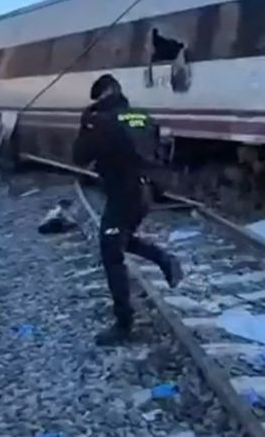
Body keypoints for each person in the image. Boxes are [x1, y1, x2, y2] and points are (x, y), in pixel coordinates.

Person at [72, 74, 183, 346]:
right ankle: (164, 259)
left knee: (111, 253)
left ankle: (124, 324)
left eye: (97, 97)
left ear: (104, 94)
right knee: (119, 239)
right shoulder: (142, 116)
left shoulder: (100, 122)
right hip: (145, 193)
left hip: (123, 194)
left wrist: (85, 124)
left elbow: (80, 157)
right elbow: (156, 150)